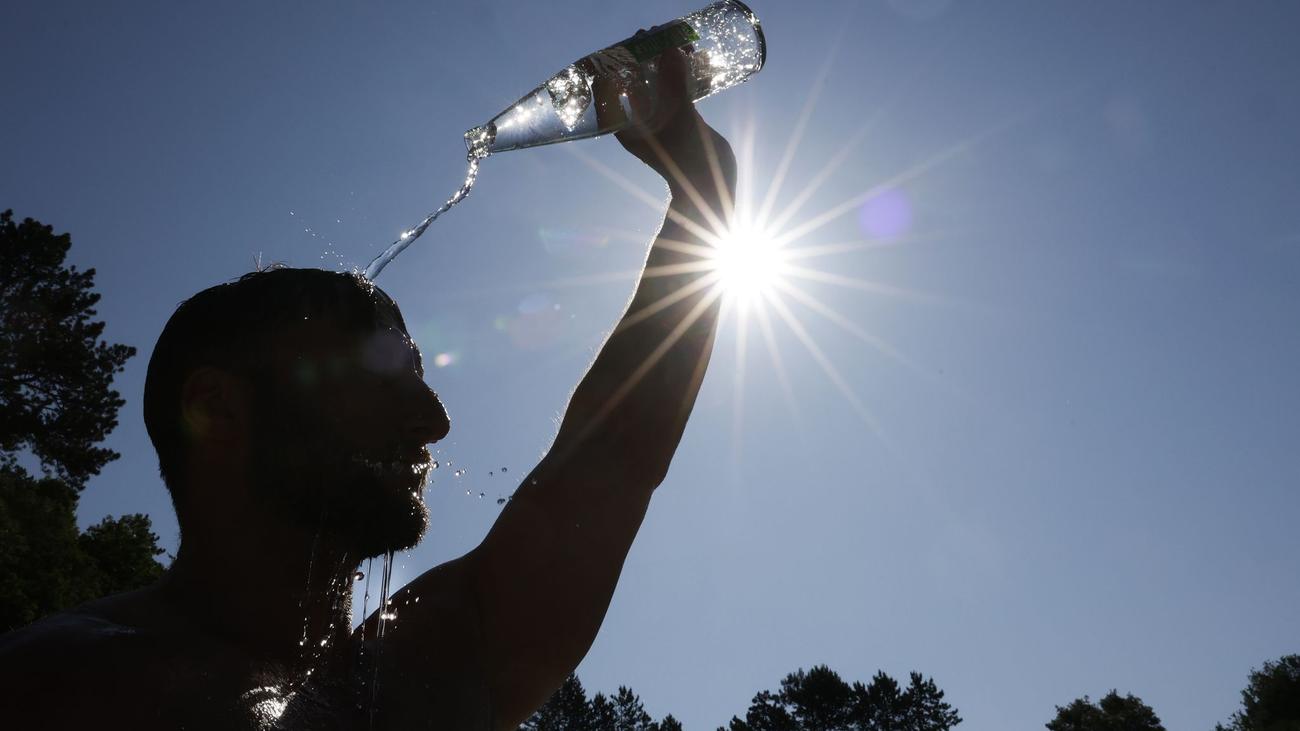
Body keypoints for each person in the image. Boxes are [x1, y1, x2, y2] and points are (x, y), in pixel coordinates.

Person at [0, 48, 736, 730]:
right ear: (216, 407)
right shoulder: (66, 682)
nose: (434, 418)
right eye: (377, 372)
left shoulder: (435, 666)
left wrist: (705, 191)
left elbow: (614, 457)